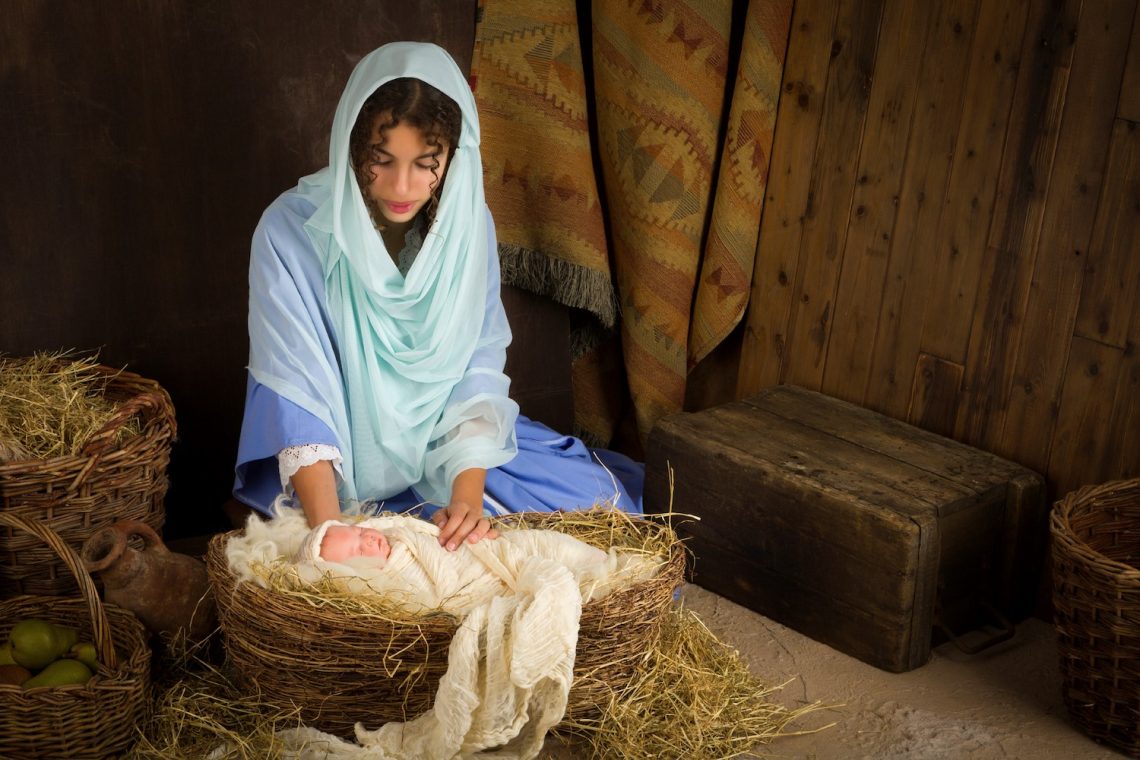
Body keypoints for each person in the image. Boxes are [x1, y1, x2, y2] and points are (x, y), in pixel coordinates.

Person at [233, 42, 643, 552]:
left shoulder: (467, 226)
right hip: (331, 470)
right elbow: (294, 387)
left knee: (604, 512)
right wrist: (332, 531)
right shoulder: (288, 230)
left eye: (427, 163)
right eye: (380, 160)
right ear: (351, 146)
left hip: (443, 450)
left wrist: (466, 499)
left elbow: (478, 361)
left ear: (452, 154)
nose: (402, 186)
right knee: (392, 567)